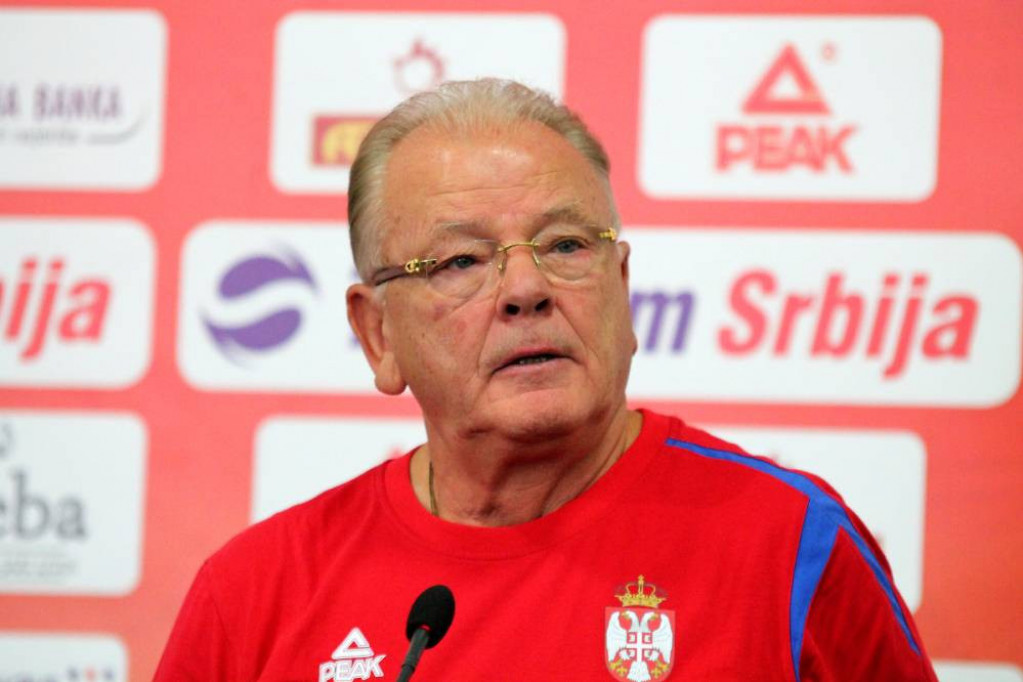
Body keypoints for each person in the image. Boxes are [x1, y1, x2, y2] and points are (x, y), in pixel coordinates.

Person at [155, 79, 937, 681]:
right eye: (460, 260)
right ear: (378, 334)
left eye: (565, 245)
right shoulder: (254, 593)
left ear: (621, 289)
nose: (525, 289)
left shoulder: (790, 543)